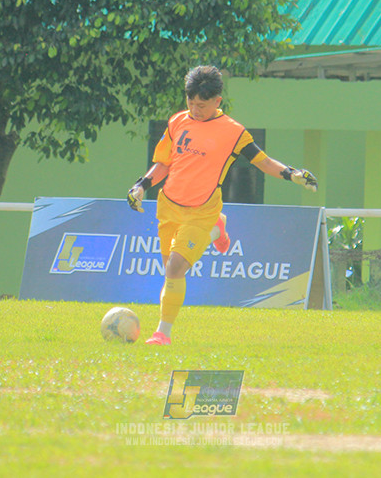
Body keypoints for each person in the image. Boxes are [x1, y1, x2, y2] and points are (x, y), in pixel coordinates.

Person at [126, 65, 318, 345]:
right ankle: (218, 231)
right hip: (168, 207)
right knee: (170, 269)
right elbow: (164, 163)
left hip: (202, 210)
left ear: (217, 101)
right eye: (190, 102)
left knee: (175, 269)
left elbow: (262, 161)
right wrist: (141, 186)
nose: (195, 108)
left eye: (202, 104)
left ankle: (162, 334)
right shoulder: (177, 121)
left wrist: (292, 174)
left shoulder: (233, 132)